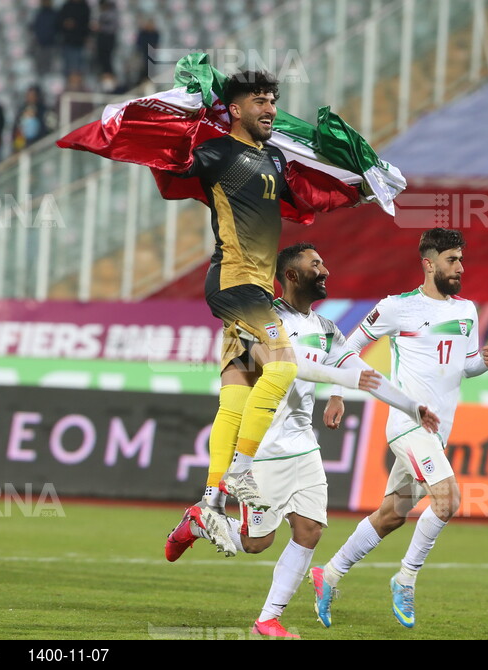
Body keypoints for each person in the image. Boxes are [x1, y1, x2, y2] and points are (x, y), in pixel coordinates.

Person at [165, 243, 440, 638]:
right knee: (256, 542)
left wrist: (412, 406)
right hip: (262, 451)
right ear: (291, 275)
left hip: (303, 448)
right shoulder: (261, 320)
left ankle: (267, 619)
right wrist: (343, 378)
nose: (326, 270)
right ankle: (199, 523)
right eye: (316, 265)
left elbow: (361, 370)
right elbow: (290, 366)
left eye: (324, 262)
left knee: (310, 530)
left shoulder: (327, 329)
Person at [310, 227, 488, 629]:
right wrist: (337, 394)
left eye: (462, 259)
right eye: (452, 260)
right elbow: (346, 347)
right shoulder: (396, 308)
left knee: (393, 514)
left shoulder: (466, 311)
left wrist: (484, 361)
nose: (461, 267)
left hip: (438, 431)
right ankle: (405, 578)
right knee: (447, 501)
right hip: (407, 424)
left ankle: (331, 572)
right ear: (429, 264)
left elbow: (464, 367)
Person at [170, 70, 304, 524]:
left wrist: (358, 184)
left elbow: (302, 199)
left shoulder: (276, 158)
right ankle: (241, 473)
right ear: (236, 109)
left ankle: (209, 503)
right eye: (260, 101)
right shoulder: (217, 152)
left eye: (272, 101)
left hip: (255, 288)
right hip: (234, 282)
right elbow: (173, 164)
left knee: (236, 397)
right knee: (284, 362)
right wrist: (181, 116)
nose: (270, 109)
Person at [58, 0, 92, 76]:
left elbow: (87, 24)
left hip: (80, 42)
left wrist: (87, 38)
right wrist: (66, 23)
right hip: (67, 41)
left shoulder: (84, 7)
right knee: (68, 67)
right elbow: (59, 22)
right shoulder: (66, 6)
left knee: (79, 68)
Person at [30, 0, 59, 76]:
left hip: (51, 43)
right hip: (40, 43)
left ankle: (48, 79)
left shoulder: (54, 13)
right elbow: (34, 26)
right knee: (40, 64)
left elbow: (57, 27)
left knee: (50, 64)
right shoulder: (38, 13)